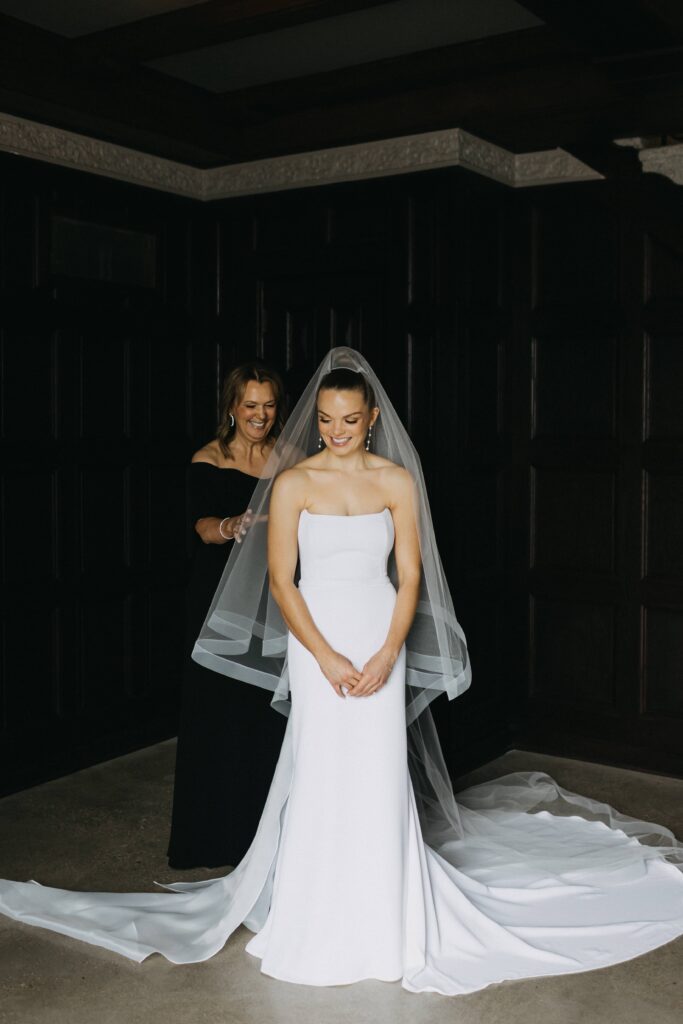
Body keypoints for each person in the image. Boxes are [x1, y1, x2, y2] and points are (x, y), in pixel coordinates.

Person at [1, 348, 682, 998]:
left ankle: (384, 911)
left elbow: (409, 574)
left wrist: (389, 652)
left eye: (348, 420)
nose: (335, 431)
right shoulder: (293, 482)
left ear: (371, 419)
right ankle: (318, 908)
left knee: (377, 770)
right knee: (322, 768)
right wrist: (324, 656)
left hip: (377, 629)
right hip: (315, 636)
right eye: (324, 419)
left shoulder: (395, 481)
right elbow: (280, 579)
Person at [167, 361, 286, 869]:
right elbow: (200, 527)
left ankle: (268, 833)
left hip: (274, 597)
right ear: (232, 408)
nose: (260, 416)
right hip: (217, 599)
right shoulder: (209, 458)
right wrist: (233, 525)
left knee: (266, 714)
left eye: (269, 405)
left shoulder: (290, 456)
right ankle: (214, 837)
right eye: (250, 405)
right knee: (216, 711)